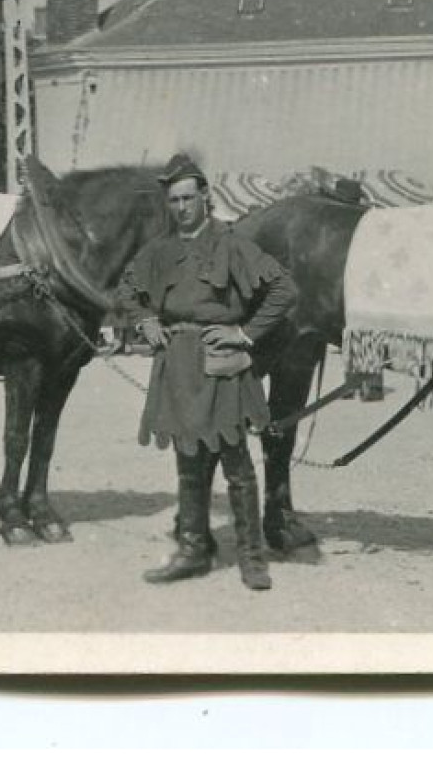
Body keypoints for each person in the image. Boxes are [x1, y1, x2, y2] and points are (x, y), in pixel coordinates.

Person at [112, 153, 298, 591]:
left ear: (205, 197)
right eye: (173, 201)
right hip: (177, 362)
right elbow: (126, 290)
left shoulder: (232, 244)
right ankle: (193, 549)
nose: (180, 208)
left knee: (236, 463)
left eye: (187, 198)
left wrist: (247, 336)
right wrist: (145, 319)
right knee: (189, 462)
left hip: (221, 362)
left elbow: (283, 289)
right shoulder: (158, 251)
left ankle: (253, 558)